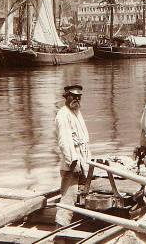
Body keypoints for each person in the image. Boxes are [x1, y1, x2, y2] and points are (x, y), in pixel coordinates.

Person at [55, 85, 91, 227]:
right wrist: (73, 163)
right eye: (73, 96)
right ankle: (59, 231)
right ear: (66, 96)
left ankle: (79, 224)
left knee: (81, 194)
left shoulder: (76, 112)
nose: (76, 99)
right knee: (68, 199)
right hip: (72, 164)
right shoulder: (63, 115)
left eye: (78, 96)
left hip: (83, 162)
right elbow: (64, 141)